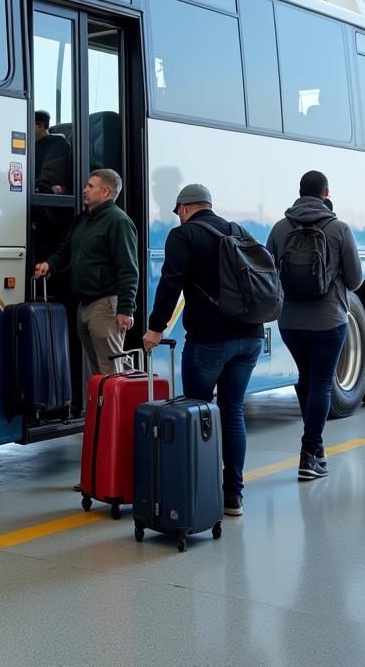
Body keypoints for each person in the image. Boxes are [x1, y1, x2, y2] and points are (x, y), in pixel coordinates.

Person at [142, 183, 265, 518]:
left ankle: (199, 494)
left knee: (198, 414)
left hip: (210, 340)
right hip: (251, 337)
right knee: (233, 410)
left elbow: (171, 282)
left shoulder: (183, 235)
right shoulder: (238, 231)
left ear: (184, 209)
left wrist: (156, 327)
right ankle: (233, 496)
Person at [266, 170, 362, 481]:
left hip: (291, 321)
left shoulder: (281, 228)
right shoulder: (339, 228)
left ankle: (315, 452)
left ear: (299, 191)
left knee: (305, 379)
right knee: (321, 383)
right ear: (326, 192)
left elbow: (267, 272)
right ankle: (311, 452)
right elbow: (356, 279)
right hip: (329, 321)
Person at [33, 169, 138, 379]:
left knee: (111, 374)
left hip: (105, 306)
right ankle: (103, 412)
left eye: (90, 186)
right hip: (84, 305)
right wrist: (49, 264)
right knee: (98, 373)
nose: (84, 190)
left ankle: (116, 412)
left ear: (106, 191)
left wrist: (126, 309)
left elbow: (129, 270)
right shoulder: (83, 220)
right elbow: (65, 251)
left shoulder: (118, 222)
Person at [34, 110, 71, 194]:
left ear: (40, 126)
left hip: (44, 199)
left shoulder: (58, 144)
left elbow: (49, 177)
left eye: (27, 125)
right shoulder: (28, 147)